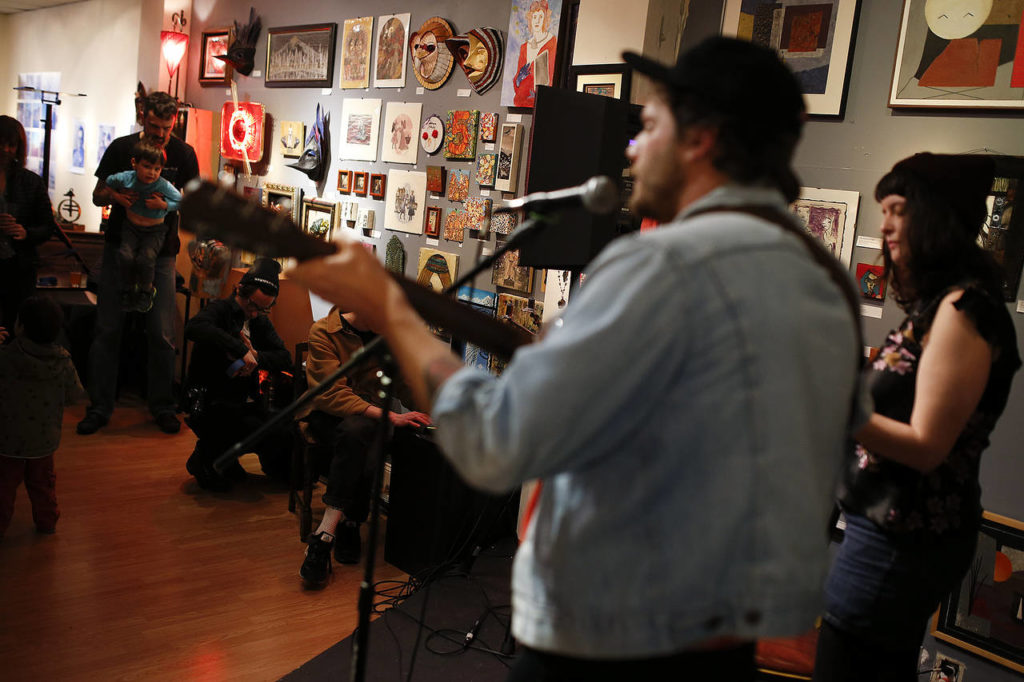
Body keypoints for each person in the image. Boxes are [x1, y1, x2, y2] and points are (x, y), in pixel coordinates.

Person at [288, 37, 862, 679]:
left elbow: (497, 441)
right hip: (724, 651)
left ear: (700, 138)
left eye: (648, 126)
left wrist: (393, 314)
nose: (632, 149)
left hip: (603, 646)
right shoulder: (826, 288)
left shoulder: (661, 268)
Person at [812, 153, 1021, 681]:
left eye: (897, 209)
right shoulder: (937, 306)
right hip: (887, 529)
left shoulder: (962, 310)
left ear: (934, 216)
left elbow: (928, 445)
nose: (884, 226)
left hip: (902, 540)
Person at [77, 91, 199, 436]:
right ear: (142, 117)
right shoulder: (120, 148)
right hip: (120, 246)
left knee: (161, 333)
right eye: (154, 126)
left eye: (166, 127)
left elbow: (191, 204)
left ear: (173, 122)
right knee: (107, 330)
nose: (160, 134)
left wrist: (169, 204)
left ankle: (162, 405)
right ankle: (99, 406)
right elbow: (97, 194)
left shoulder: (184, 154)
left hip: (162, 253)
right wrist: (115, 197)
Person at [297, 306, 430, 587]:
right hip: (328, 415)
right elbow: (329, 394)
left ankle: (325, 534)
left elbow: (405, 384)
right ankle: (349, 524)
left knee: (361, 433)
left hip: (366, 422)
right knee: (360, 434)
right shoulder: (323, 331)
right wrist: (391, 415)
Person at [183, 259, 292, 492]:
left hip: (244, 399)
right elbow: (194, 327)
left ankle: (228, 458)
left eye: (263, 309)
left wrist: (256, 356)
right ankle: (205, 458)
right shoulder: (219, 310)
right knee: (237, 422)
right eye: (252, 305)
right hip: (210, 400)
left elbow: (284, 357)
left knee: (279, 429)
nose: (254, 313)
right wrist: (239, 348)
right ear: (239, 290)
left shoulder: (259, 321)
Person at [0, 296, 85, 539]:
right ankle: (47, 522)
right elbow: (75, 395)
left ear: (20, 327)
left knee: (4, 487)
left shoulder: (6, 358)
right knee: (43, 485)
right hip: (44, 440)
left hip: (7, 440)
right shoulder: (62, 360)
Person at [105, 140, 182, 312]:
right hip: (130, 227)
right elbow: (108, 182)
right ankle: (127, 288)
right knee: (125, 255)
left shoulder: (162, 184)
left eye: (157, 169)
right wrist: (117, 197)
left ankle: (147, 291)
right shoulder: (126, 178)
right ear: (134, 163)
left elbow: (181, 201)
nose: (152, 173)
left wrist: (163, 205)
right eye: (147, 167)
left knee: (146, 258)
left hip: (154, 231)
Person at [0, 115, 58, 334]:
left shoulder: (31, 182)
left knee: (17, 326)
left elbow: (47, 225)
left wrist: (24, 232)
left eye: (11, 145)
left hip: (19, 268)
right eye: (1, 143)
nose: (5, 150)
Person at [512, 0, 558, 108]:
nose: (537, 21)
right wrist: (518, 79)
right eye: (534, 17)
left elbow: (551, 79)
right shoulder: (524, 47)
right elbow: (517, 84)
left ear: (545, 19)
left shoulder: (552, 43)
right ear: (530, 19)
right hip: (522, 102)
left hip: (542, 102)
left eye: (540, 17)